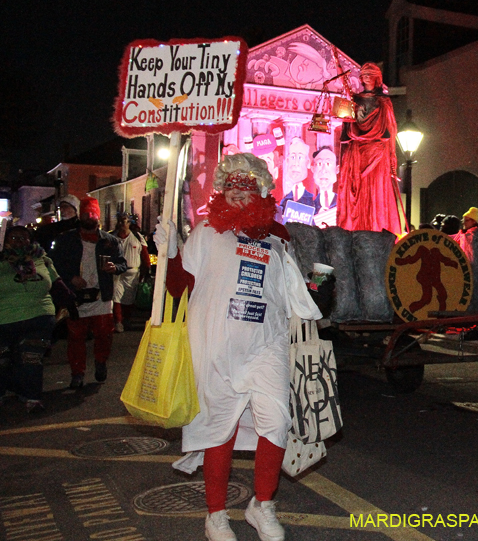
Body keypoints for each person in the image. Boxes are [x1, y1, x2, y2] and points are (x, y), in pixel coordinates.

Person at [158, 153, 321, 541]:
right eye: (230, 185)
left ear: (262, 192)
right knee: (219, 429)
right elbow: (178, 287)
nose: (237, 192)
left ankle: (262, 504)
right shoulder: (206, 232)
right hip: (215, 347)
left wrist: (320, 291)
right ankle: (215, 514)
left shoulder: (278, 239)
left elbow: (295, 293)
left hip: (266, 346)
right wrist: (169, 253)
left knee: (277, 422)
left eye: (246, 186)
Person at [49, 197, 126, 389]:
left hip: (101, 297)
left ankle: (101, 362)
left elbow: (123, 263)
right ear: (80, 216)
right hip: (76, 297)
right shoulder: (66, 240)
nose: (89, 217)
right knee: (76, 338)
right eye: (86, 213)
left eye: (93, 213)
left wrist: (114, 267)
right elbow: (53, 265)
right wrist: (70, 278)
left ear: (98, 216)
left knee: (104, 335)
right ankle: (77, 373)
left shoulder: (110, 241)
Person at [0, 226, 68, 413]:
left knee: (31, 358)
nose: (19, 241)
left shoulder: (41, 258)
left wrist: (70, 302)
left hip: (38, 316)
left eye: (23, 237)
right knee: (3, 360)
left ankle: (33, 398)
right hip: (4, 318)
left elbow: (56, 282)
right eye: (14, 237)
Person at [337, 62, 404, 236]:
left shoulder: (384, 102)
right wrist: (349, 108)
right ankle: (356, 229)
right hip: (357, 152)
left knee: (375, 192)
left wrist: (392, 156)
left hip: (376, 151)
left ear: (376, 78)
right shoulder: (355, 99)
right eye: (363, 74)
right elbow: (346, 126)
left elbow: (391, 129)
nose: (365, 77)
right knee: (357, 193)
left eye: (369, 74)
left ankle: (375, 228)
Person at [111, 213, 150, 332]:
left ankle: (126, 319)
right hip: (117, 271)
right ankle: (118, 321)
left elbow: (144, 254)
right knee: (116, 296)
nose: (123, 224)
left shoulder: (137, 237)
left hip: (132, 272)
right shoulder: (112, 237)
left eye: (125, 222)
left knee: (128, 297)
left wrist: (146, 270)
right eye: (121, 221)